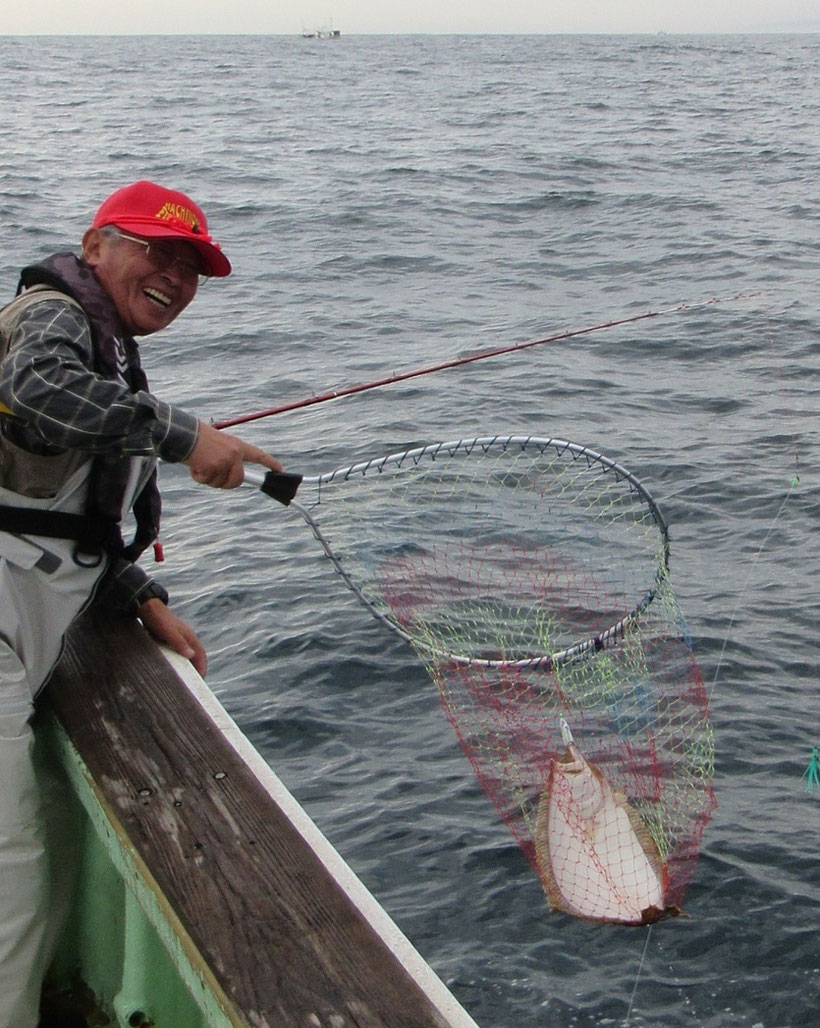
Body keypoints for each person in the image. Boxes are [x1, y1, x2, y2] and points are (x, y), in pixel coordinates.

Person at [0, 181, 283, 1027]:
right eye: (153, 249)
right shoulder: (53, 317)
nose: (173, 274)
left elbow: (46, 499)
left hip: (29, 625)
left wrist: (135, 594)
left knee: (32, 854)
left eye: (191, 266)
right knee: (9, 879)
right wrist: (187, 435)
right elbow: (37, 392)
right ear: (94, 247)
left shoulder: (110, 350)